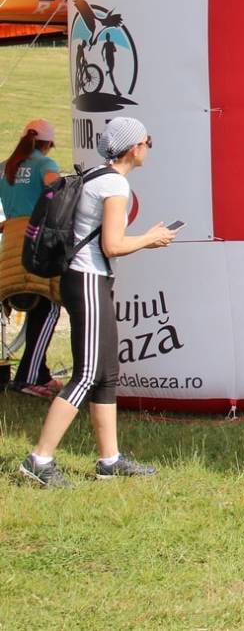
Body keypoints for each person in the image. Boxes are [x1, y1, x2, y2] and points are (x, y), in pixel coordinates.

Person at [19, 118, 175, 487]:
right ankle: (39, 459)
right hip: (88, 280)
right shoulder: (115, 184)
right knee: (88, 374)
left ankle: (110, 460)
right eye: (147, 141)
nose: (149, 147)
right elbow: (113, 245)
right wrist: (150, 239)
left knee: (106, 373)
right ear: (134, 147)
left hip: (87, 280)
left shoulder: (96, 175)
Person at [1, 120, 62, 398]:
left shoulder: (6, 167)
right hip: (36, 243)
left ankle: (41, 374)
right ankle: (26, 378)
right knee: (48, 307)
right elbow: (54, 190)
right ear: (48, 144)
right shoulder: (45, 165)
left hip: (11, 244)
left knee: (33, 306)